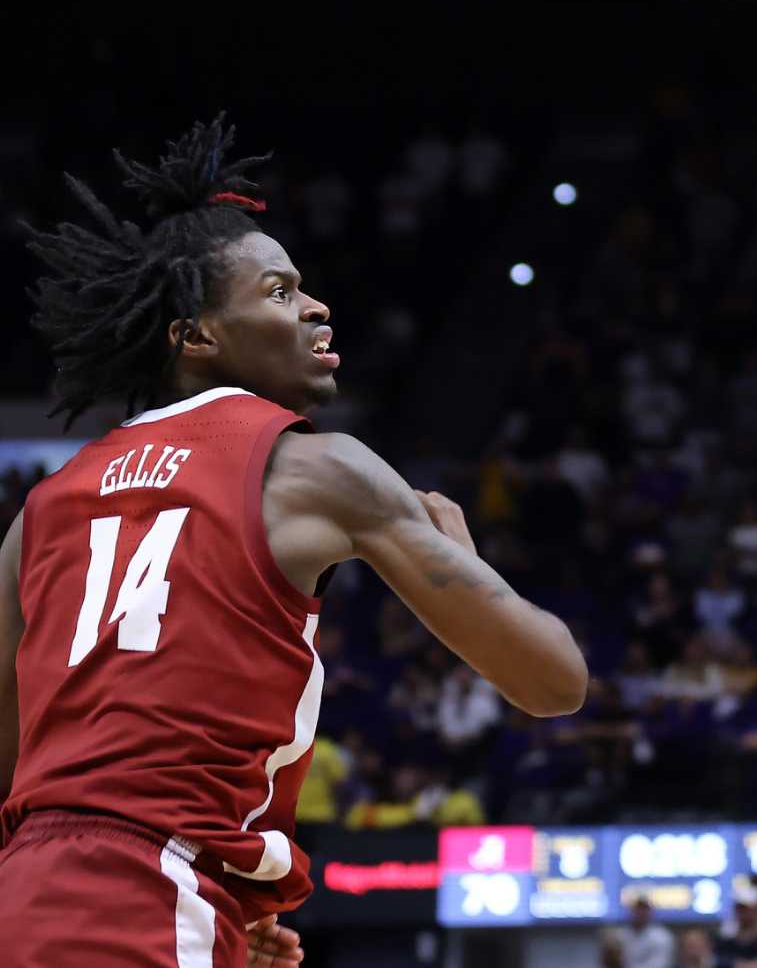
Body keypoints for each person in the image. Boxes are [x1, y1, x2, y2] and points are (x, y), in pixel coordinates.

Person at [0, 117, 588, 964]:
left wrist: (219, 905)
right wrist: (473, 559)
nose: (315, 305)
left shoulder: (44, 505)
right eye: (278, 292)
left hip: (33, 897)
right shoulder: (317, 467)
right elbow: (553, 678)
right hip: (145, 896)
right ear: (196, 336)